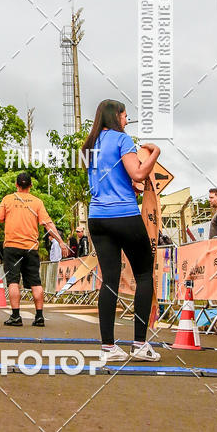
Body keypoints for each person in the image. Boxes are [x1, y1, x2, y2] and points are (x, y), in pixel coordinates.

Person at [83, 99, 162, 363]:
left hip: (97, 216)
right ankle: (139, 344)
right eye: (126, 116)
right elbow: (138, 173)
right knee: (143, 274)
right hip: (123, 214)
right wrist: (154, 154)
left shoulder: (89, 144)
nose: (127, 121)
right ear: (115, 116)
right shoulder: (121, 140)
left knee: (109, 280)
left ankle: (108, 347)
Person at [0, 171, 69, 327]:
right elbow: (48, 225)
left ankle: (15, 316)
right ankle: (39, 316)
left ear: (16, 185)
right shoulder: (37, 202)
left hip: (12, 247)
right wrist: (61, 242)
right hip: (31, 248)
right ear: (31, 185)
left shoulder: (8, 199)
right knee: (36, 282)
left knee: (13, 281)